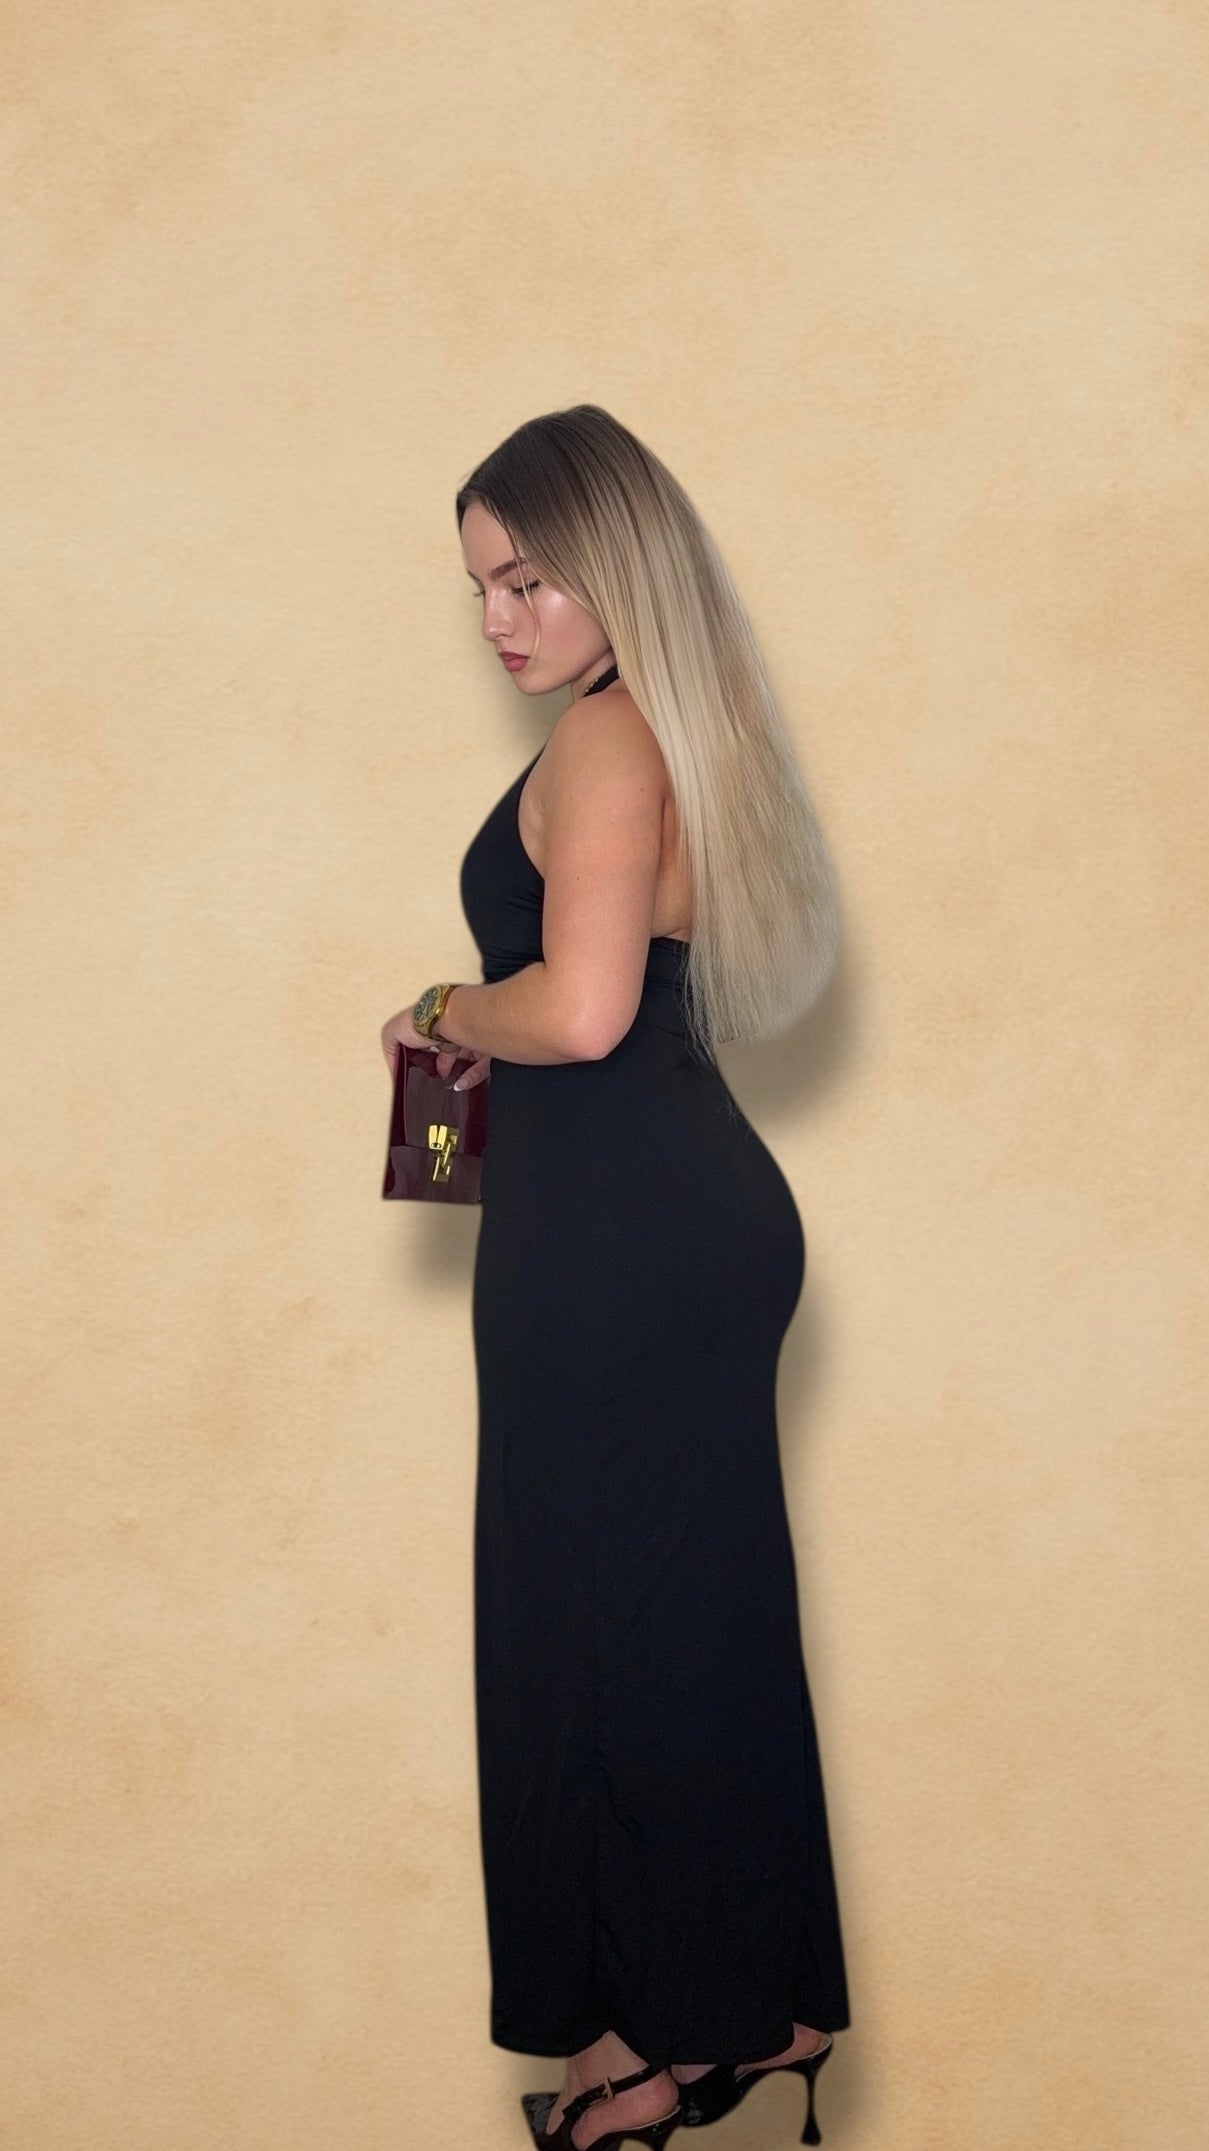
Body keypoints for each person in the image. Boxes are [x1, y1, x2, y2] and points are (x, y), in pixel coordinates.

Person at [380, 405, 850, 2150]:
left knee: (600, 1632)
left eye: (530, 579)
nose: (497, 619)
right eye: (480, 588)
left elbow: (576, 1012)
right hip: (667, 1215)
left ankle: (654, 2046)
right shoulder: (678, 727)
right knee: (687, 1619)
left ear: (619, 567)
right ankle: (755, 2003)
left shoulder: (602, 736)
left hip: (620, 1239)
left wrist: (436, 1008)